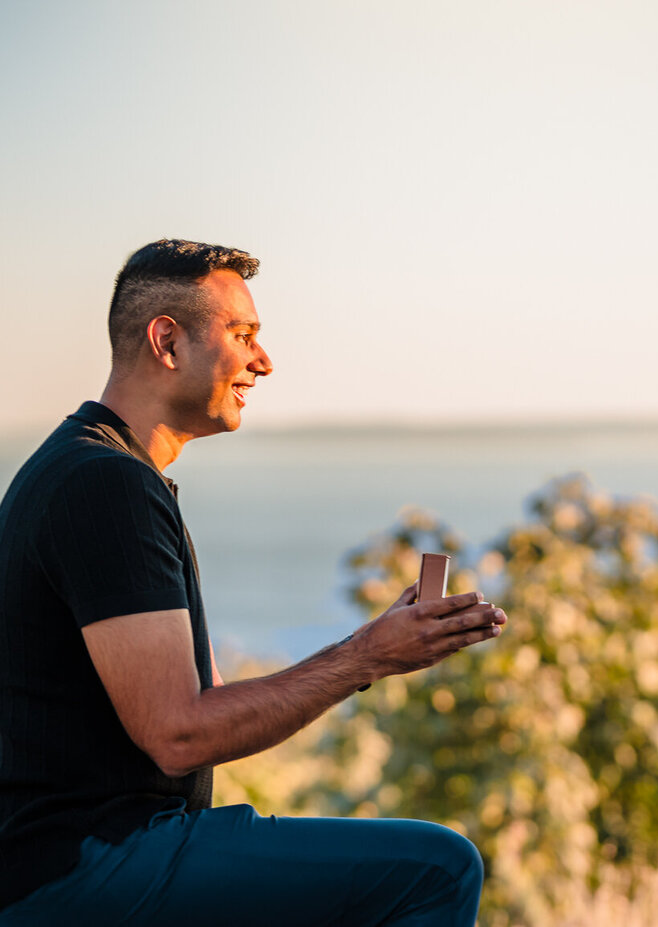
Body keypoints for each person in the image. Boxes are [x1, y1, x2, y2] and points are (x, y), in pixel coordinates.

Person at [0, 239, 507, 926]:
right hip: (82, 868)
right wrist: (365, 656)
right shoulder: (104, 483)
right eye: (242, 335)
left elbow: (199, 711)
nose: (263, 361)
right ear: (167, 341)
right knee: (437, 869)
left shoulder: (96, 470)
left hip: (85, 860)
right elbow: (178, 734)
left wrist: (374, 649)